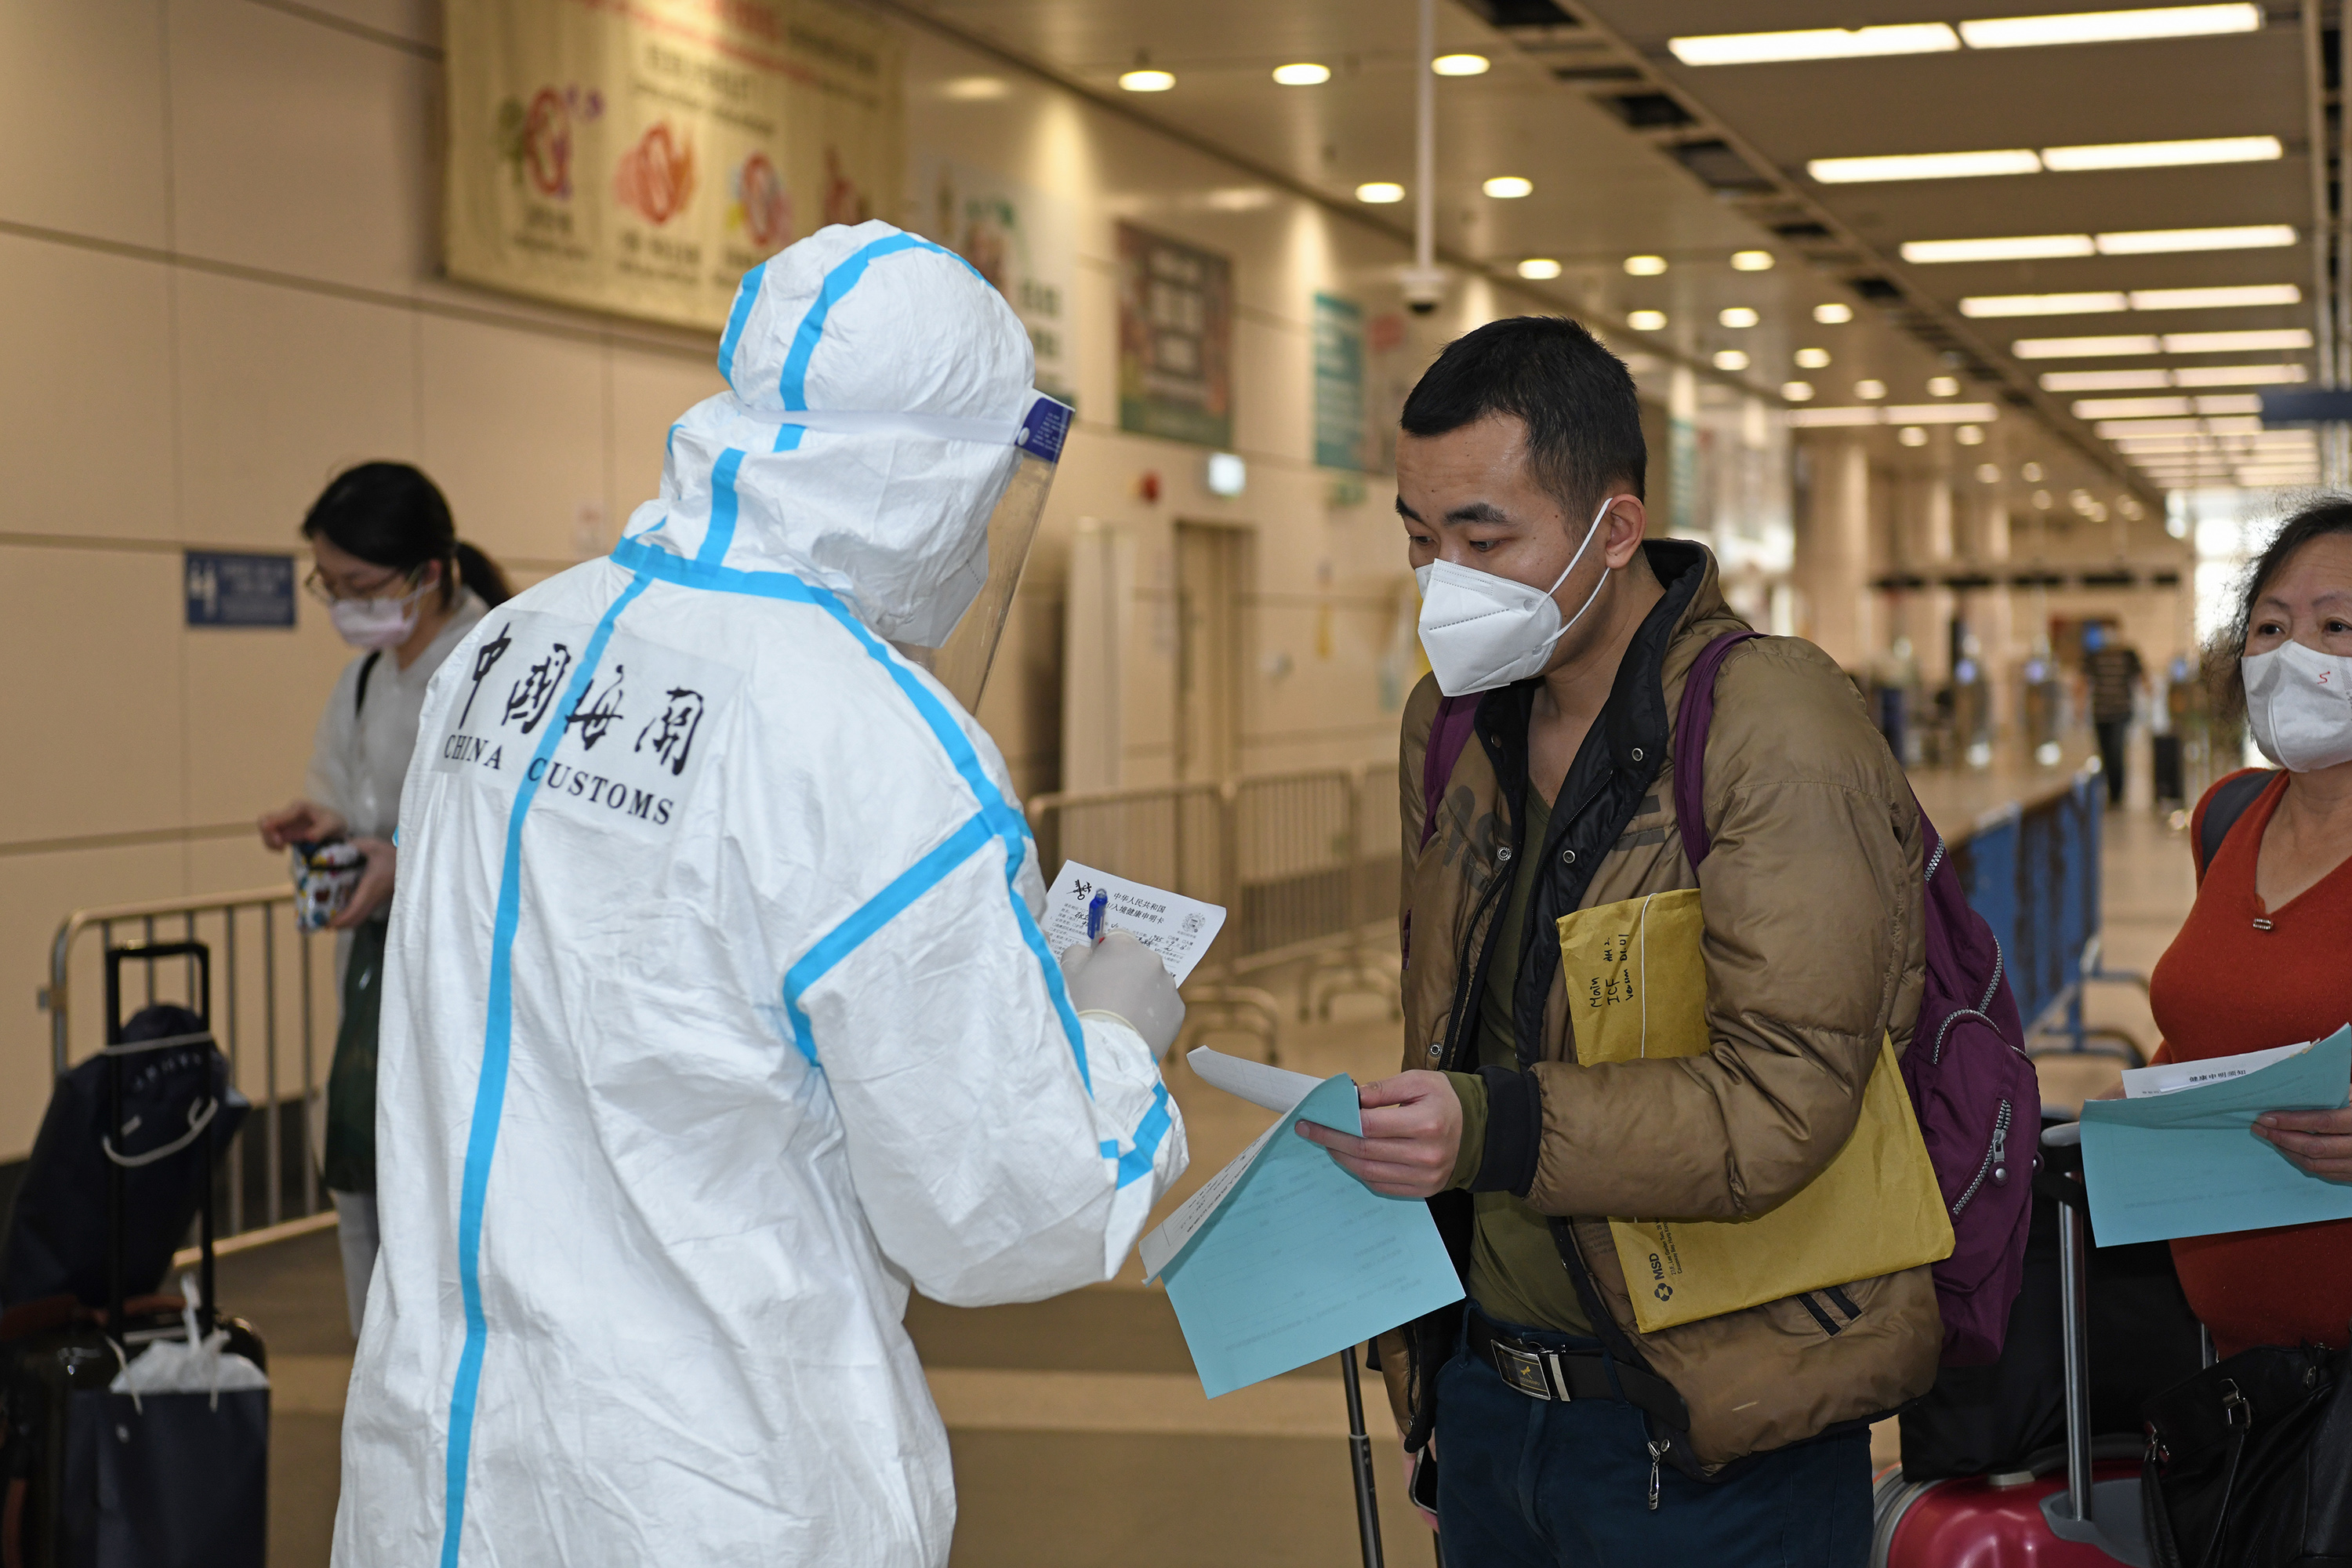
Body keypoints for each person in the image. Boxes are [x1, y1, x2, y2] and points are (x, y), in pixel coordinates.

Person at [331, 223, 1189, 1568]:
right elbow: (1007, 1207)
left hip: (442, 1475)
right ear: (932, 478)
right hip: (713, 1490)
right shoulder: (871, 745)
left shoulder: (498, 656)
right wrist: (1119, 1038)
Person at [1299, 317, 1937, 1565]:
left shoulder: (1772, 723)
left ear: (1616, 529)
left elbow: (1786, 1096)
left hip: (1709, 1436)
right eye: (1421, 541)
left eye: (1485, 539)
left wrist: (1492, 1125)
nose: (1445, 581)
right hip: (1489, 1406)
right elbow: (1459, 1021)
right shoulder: (1450, 725)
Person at [256, 463, 510, 1338]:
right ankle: (381, 1390)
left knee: (442, 1199)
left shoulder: (494, 663)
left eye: (361, 584)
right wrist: (324, 823)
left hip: (462, 980)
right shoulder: (366, 679)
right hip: (373, 972)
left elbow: (506, 823)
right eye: (332, 585)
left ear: (428, 571)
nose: (346, 603)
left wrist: (402, 859)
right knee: (361, 1173)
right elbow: (358, 794)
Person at [2132, 499, 2352, 1356]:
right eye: (2270, 627)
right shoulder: (2226, 816)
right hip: (2238, 1378)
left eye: (2336, 625)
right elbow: (2215, 1023)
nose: (2294, 656)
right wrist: (2149, 1102)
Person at [2083, 623, 2143, 807]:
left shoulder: (2128, 654)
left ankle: (2117, 793)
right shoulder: (2094, 655)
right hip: (2100, 712)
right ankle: (2110, 790)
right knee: (2104, 753)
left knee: (2116, 751)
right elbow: (2084, 679)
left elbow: (2141, 676)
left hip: (2120, 712)